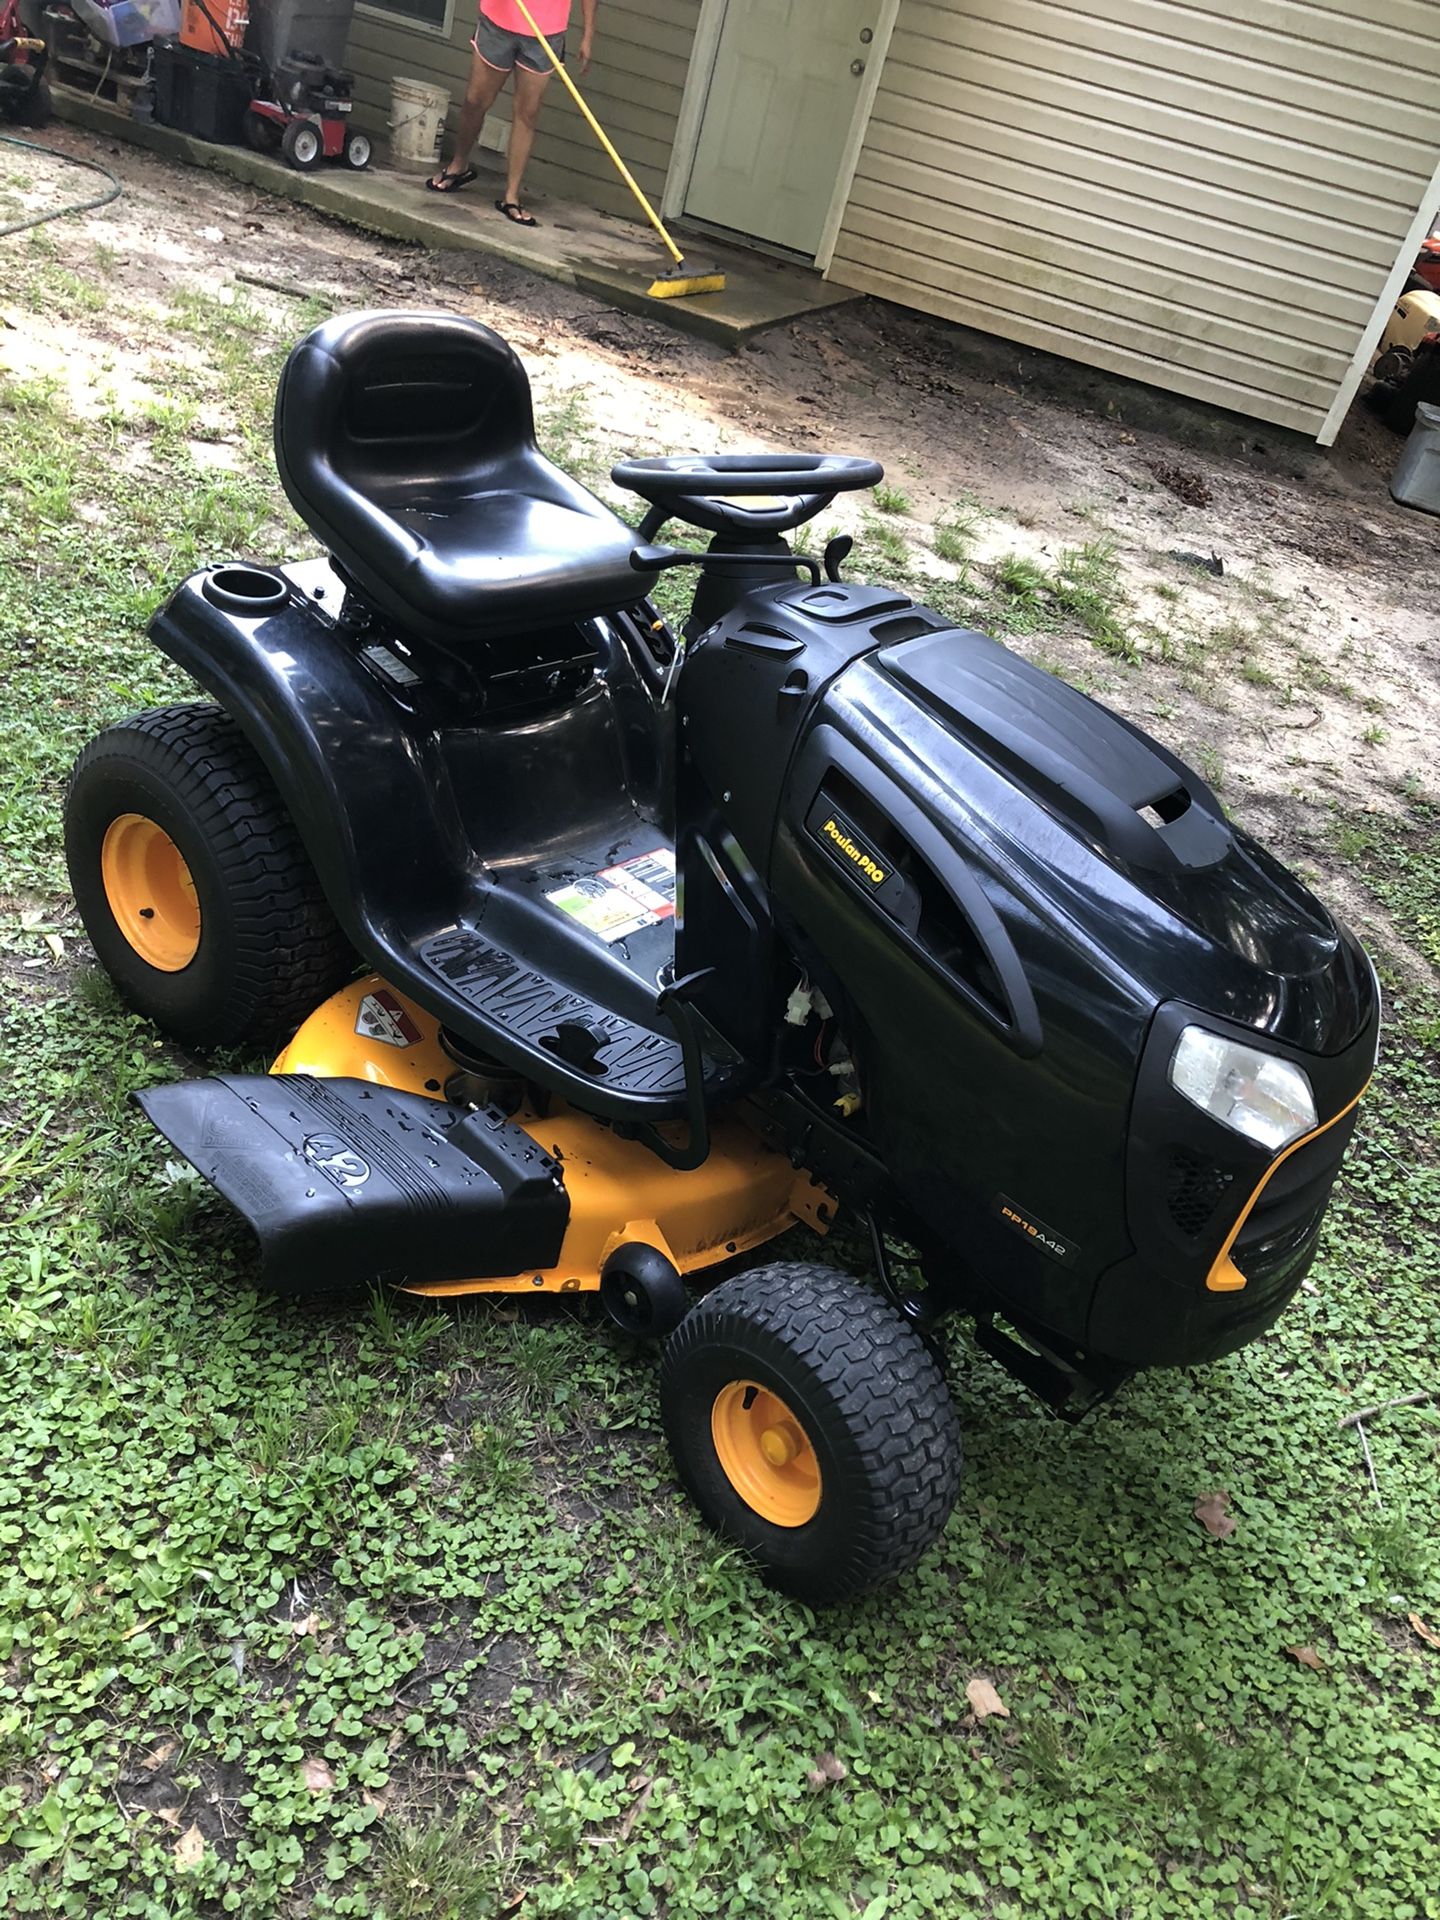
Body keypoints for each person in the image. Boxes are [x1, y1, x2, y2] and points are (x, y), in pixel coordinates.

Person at [426, 0, 596, 228]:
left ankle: (511, 196)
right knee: (475, 101)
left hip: (546, 31)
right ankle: (458, 165)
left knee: (527, 114)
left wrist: (587, 34)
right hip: (499, 20)